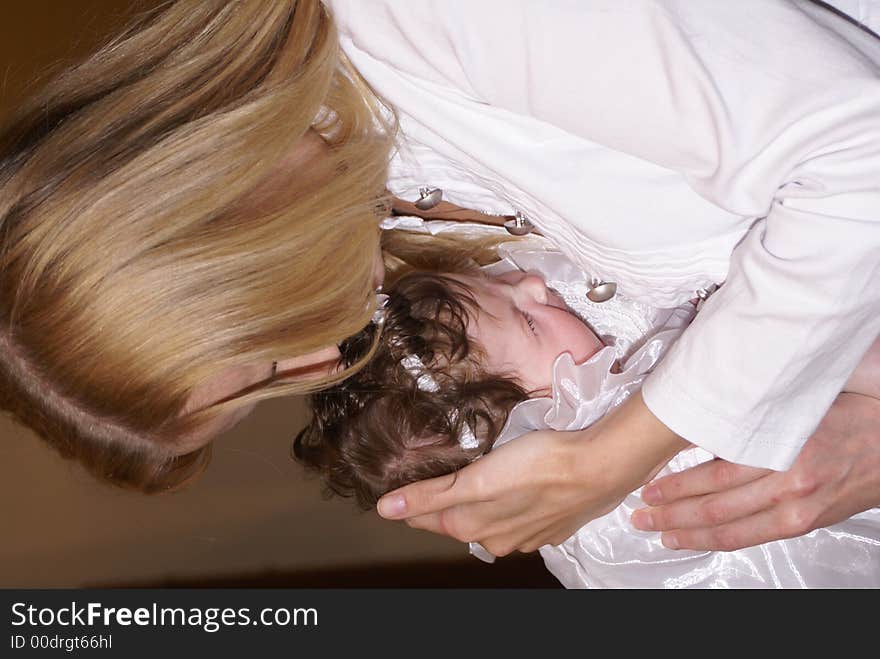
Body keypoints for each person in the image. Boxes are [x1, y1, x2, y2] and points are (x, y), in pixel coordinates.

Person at [1, 0, 878, 556]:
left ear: (216, 244)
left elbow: (860, 150)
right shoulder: (390, 209)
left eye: (265, 362)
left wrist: (617, 456)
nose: (324, 361)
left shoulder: (416, 18)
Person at [293, 241, 880, 587]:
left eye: (498, 285)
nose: (531, 283)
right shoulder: (628, 428)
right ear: (537, 418)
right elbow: (805, 353)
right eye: (527, 319)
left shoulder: (577, 533)